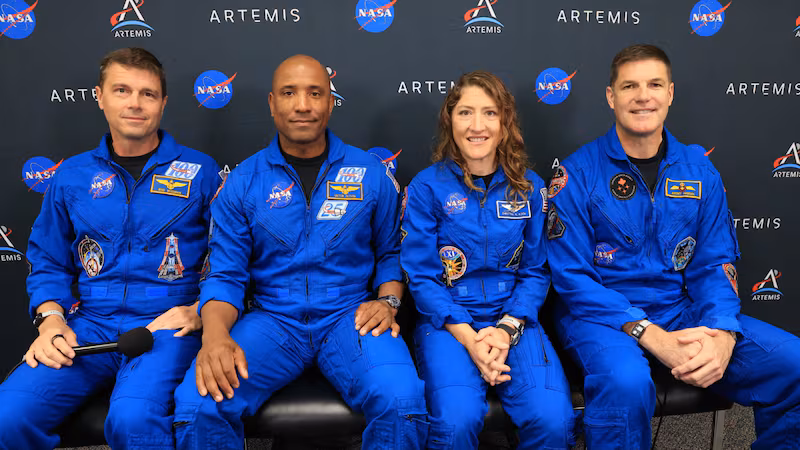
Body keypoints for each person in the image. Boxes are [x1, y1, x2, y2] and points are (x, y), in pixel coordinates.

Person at [546, 44, 800, 449]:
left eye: (654, 85)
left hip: (678, 309)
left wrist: (723, 332)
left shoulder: (699, 171)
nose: (642, 96)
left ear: (670, 93)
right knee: (626, 383)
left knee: (793, 365)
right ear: (611, 96)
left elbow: (715, 263)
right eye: (629, 86)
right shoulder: (577, 173)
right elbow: (572, 278)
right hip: (600, 317)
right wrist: (649, 334)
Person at [172, 54, 428, 449]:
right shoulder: (243, 181)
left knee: (403, 400)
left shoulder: (370, 173)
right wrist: (216, 337)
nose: (303, 105)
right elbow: (225, 275)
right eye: (289, 93)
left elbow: (390, 254)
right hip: (273, 318)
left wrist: (388, 302)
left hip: (349, 315)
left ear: (330, 102)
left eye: (315, 93)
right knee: (197, 404)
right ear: (272, 103)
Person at [0, 47, 221, 449]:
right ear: (100, 97)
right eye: (122, 90)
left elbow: (230, 256)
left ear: (163, 103)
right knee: (7, 416)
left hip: (166, 325)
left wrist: (199, 309)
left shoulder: (200, 171)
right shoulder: (72, 175)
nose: (135, 103)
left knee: (133, 419)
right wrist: (51, 320)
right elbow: (48, 259)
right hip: (88, 324)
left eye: (148, 94)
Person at [401, 71, 575, 449]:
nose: (477, 126)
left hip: (512, 318)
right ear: (450, 120)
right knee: (455, 422)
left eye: (489, 113)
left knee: (554, 420)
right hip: (448, 321)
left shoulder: (530, 188)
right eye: (465, 112)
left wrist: (506, 329)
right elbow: (423, 278)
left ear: (504, 122)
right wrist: (470, 339)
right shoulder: (426, 187)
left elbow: (536, 271)